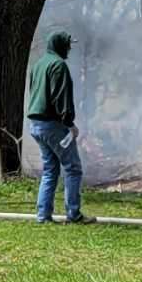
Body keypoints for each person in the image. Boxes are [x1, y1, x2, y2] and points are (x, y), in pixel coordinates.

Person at [26, 29, 92, 224]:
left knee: (50, 169)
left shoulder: (38, 64)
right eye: (68, 45)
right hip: (53, 125)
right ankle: (74, 214)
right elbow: (61, 98)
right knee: (73, 168)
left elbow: (34, 92)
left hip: (36, 125)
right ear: (60, 45)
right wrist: (70, 124)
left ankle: (43, 215)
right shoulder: (58, 65)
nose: (69, 49)